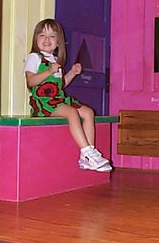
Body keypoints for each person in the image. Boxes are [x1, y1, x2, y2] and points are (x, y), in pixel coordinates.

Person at [24, 19, 112, 172]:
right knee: (72, 113)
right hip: (43, 102)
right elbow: (31, 82)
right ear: (35, 39)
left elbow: (61, 84)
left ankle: (87, 157)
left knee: (88, 112)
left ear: (58, 42)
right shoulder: (34, 57)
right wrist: (49, 71)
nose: (47, 39)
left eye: (52, 36)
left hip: (58, 100)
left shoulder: (55, 61)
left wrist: (72, 73)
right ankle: (87, 151)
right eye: (42, 35)